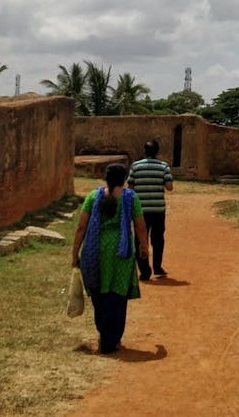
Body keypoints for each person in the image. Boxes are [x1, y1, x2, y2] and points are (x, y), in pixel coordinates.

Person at [71, 162, 147, 354]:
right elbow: (140, 226)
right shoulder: (130, 198)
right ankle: (112, 339)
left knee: (100, 293)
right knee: (118, 295)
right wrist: (145, 247)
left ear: (106, 177)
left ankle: (104, 334)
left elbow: (81, 227)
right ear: (124, 179)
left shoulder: (93, 197)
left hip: (96, 251)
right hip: (122, 252)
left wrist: (75, 253)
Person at [128, 139, 174, 279]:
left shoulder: (135, 166)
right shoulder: (163, 166)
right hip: (158, 209)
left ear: (145, 151)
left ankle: (144, 270)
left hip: (139, 210)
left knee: (140, 240)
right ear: (157, 151)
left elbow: (129, 188)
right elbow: (169, 187)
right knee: (158, 239)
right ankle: (157, 267)